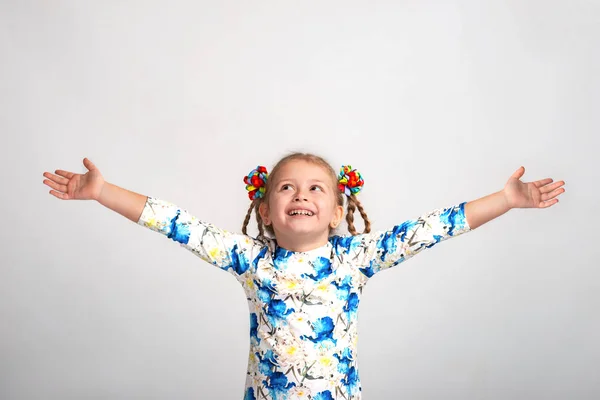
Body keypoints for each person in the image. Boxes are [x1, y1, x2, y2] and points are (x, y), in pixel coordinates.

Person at [42, 153, 565, 399]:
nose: (301, 196)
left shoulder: (356, 258)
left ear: (338, 211)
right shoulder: (250, 260)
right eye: (287, 188)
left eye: (317, 189)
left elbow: (435, 228)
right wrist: (101, 191)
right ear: (266, 211)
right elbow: (177, 223)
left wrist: (506, 199)